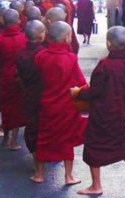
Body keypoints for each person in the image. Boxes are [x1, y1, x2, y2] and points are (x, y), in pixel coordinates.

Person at [70, 25, 125, 195]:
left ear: (108, 44)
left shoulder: (104, 65)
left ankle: (96, 186)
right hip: (121, 112)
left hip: (102, 114)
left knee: (93, 146)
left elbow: (93, 91)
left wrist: (77, 92)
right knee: (119, 143)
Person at [32, 21, 87, 185]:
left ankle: (39, 174)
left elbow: (38, 78)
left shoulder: (40, 56)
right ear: (66, 38)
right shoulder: (70, 58)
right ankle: (68, 176)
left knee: (43, 138)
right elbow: (81, 82)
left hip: (47, 104)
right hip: (66, 106)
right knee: (66, 140)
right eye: (70, 35)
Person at [0, 9, 26, 151]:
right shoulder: (24, 38)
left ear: (3, 22)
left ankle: (5, 138)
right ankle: (13, 141)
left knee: (6, 108)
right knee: (17, 109)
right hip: (20, 79)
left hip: (5, 77)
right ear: (18, 21)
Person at [16, 20, 46, 177]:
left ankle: (37, 162)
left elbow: (18, 77)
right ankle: (45, 160)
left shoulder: (20, 54)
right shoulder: (44, 54)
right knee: (45, 128)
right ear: (42, 36)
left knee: (32, 128)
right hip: (44, 97)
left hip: (28, 95)